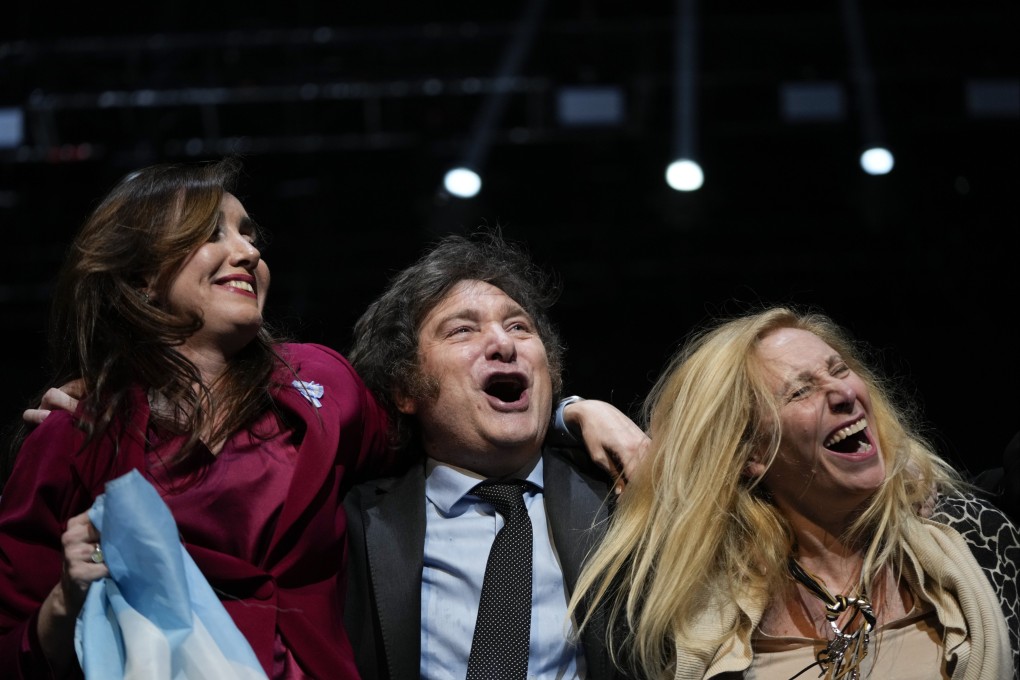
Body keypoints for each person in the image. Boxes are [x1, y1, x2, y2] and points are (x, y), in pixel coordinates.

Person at [1, 159, 645, 679]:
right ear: (140, 280)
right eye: (210, 234)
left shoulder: (322, 385)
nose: (247, 251)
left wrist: (570, 411)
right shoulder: (73, 433)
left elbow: (445, 418)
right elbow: (13, 645)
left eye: (250, 234)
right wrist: (66, 600)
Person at [568, 306, 1019, 679]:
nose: (842, 392)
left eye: (840, 370)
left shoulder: (973, 539)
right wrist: (572, 412)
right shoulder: (690, 603)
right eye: (802, 390)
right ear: (751, 454)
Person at [342, 231, 648, 680]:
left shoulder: (623, 495)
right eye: (462, 329)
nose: (504, 344)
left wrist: (575, 412)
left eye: (519, 326)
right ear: (405, 388)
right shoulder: (355, 520)